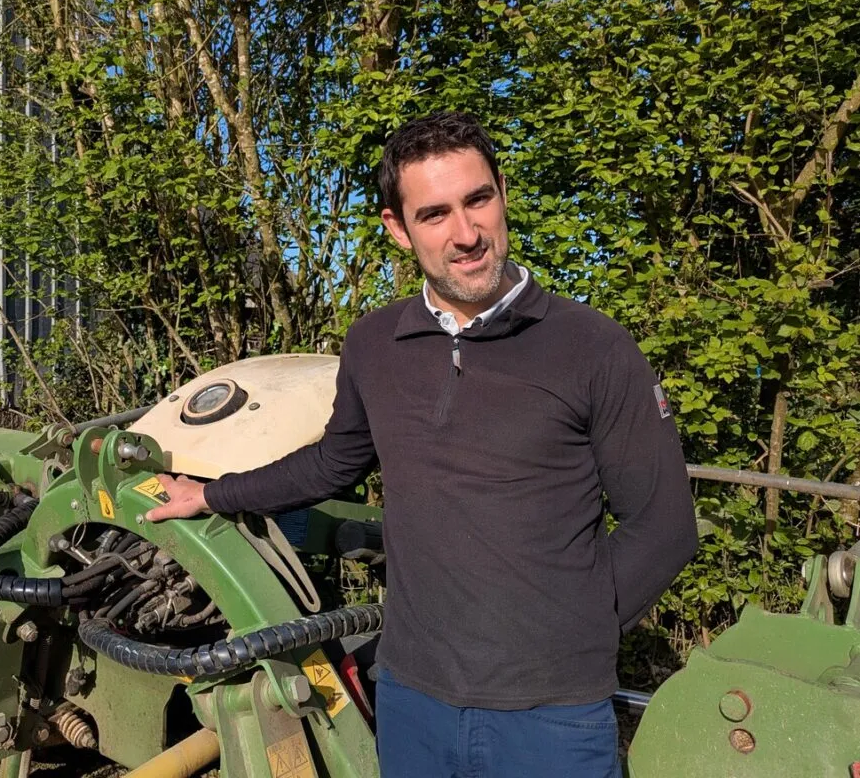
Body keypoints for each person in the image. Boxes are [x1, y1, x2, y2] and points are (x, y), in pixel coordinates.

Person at [150, 111, 699, 777]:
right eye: (434, 214)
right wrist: (211, 493)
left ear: (501, 192)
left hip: (549, 716)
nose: (465, 234)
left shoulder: (591, 347)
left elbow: (663, 526)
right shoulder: (376, 345)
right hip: (412, 700)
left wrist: (572, 636)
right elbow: (334, 461)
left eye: (478, 200)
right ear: (397, 229)